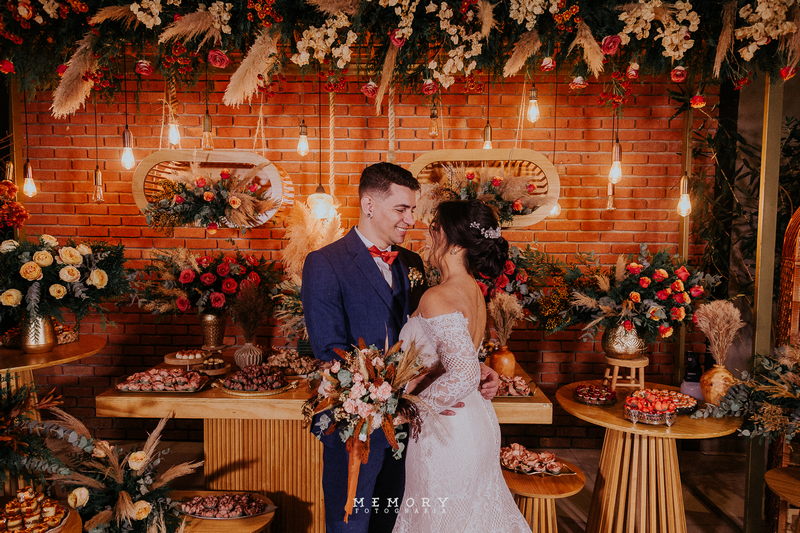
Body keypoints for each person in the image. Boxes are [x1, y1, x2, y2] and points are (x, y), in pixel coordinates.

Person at [302, 163, 500, 533]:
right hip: (359, 427)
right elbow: (329, 350)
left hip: (414, 432)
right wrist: (383, 401)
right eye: (401, 209)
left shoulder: (412, 263)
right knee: (351, 523)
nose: (411, 219)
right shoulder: (324, 263)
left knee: (395, 521)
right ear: (369, 205)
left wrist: (470, 367)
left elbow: (433, 337)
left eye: (412, 209)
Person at [392, 199, 530, 533]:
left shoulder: (438, 295)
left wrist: (411, 410)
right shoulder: (472, 291)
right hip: (472, 420)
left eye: (435, 228)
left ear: (454, 242)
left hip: (447, 430)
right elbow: (465, 360)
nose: (429, 235)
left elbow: (464, 373)